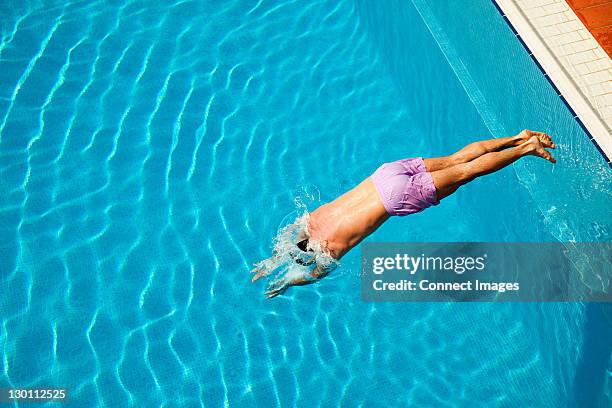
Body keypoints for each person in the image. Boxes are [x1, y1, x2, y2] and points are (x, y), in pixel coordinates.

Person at [252, 130, 556, 298]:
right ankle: (518, 137)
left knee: (465, 172)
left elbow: (315, 274)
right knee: (456, 159)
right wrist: (270, 263)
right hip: (385, 175)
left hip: (396, 197)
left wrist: (288, 282)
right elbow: (287, 238)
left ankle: (525, 149)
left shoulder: (330, 249)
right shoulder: (312, 219)